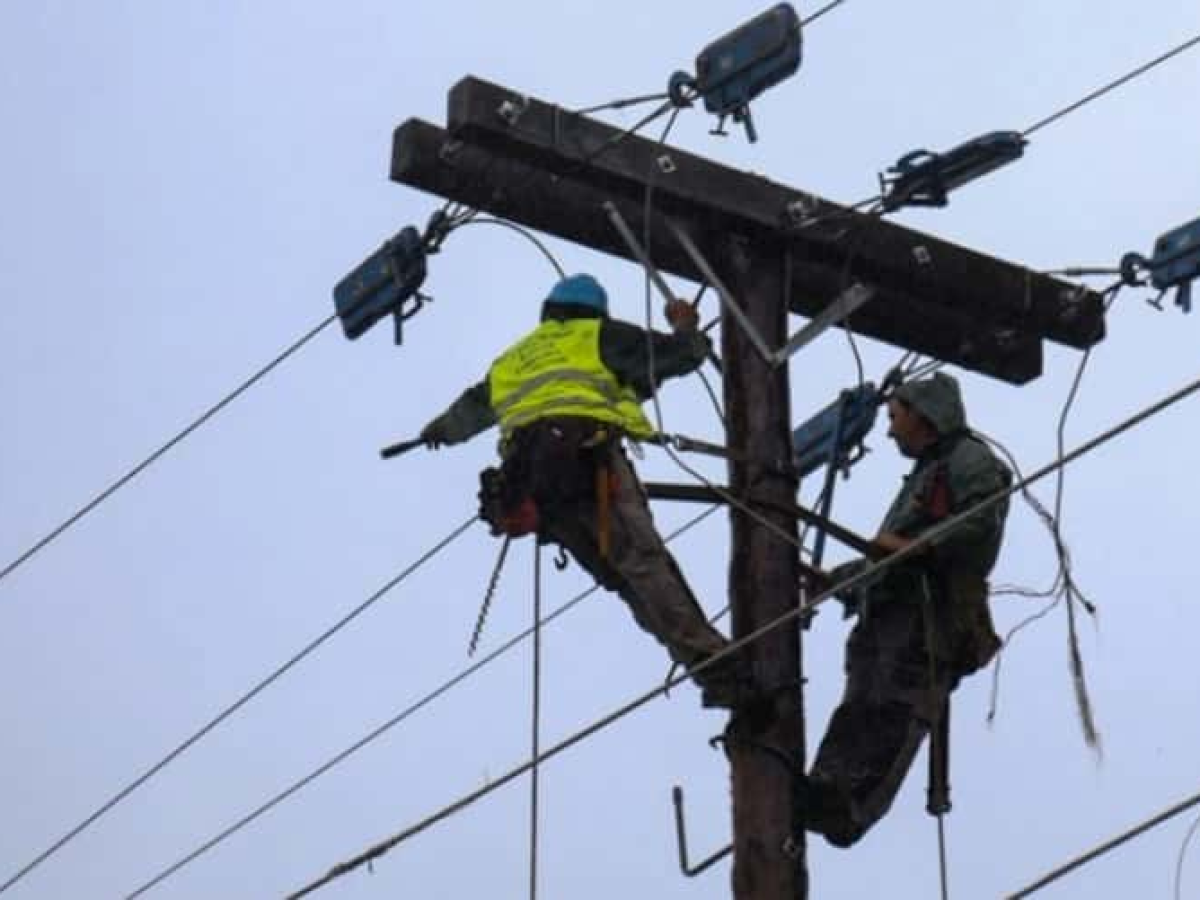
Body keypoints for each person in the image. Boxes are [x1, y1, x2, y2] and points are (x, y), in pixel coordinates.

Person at [419, 273, 745, 707]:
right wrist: (686, 326)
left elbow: (471, 409)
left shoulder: (512, 359)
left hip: (537, 488)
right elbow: (678, 356)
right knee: (643, 566)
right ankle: (717, 667)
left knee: (624, 579)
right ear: (595, 311)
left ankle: (712, 673)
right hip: (587, 464)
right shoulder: (599, 335)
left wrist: (438, 430)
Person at [804, 372, 1011, 847]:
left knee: (894, 710)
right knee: (860, 707)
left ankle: (853, 806)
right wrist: (836, 581)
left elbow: (980, 521)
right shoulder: (924, 473)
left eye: (895, 417)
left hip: (928, 616)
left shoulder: (969, 460)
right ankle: (824, 790)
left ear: (924, 415)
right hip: (890, 616)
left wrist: (916, 547)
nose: (890, 429)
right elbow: (890, 556)